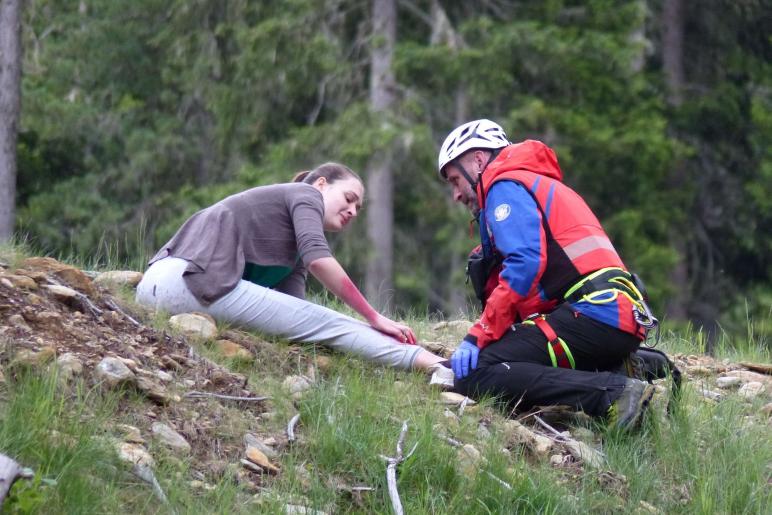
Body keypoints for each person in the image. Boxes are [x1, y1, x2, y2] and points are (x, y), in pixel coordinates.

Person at [438, 119, 658, 429]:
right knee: (506, 352)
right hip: (615, 315)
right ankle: (619, 368)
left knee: (474, 373)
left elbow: (524, 263)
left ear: (477, 159)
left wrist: (479, 335)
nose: (456, 195)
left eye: (454, 180)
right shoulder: (539, 184)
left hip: (594, 314)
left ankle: (613, 392)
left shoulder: (504, 186)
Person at [136, 163, 446, 371]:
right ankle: (436, 368)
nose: (352, 210)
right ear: (322, 184)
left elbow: (297, 314)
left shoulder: (293, 243)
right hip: (189, 281)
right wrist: (374, 317)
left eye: (358, 208)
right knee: (333, 323)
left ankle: (427, 362)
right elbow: (318, 259)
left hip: (156, 284)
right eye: (349, 198)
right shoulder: (305, 193)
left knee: (320, 322)